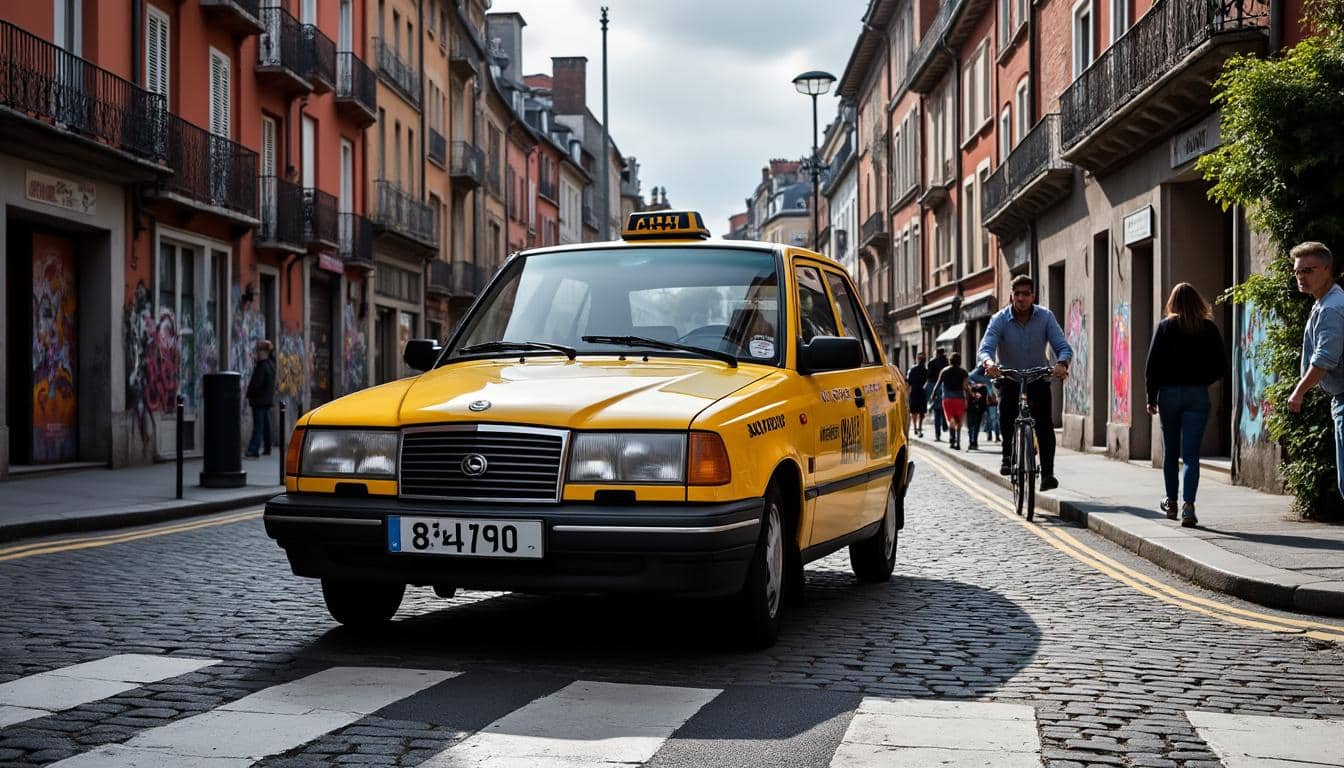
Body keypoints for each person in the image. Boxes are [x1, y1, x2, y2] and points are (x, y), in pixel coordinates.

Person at [978, 274, 1073, 491]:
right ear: (1012, 296)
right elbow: (986, 348)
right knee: (1006, 413)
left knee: (1044, 424)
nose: (1021, 298)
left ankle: (1047, 474)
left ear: (1033, 296)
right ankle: (1007, 456)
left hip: (1038, 377)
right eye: (1017, 294)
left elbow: (1062, 346)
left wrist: (1061, 364)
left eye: (1025, 294)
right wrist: (989, 363)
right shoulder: (1000, 319)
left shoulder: (1045, 317)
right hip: (1009, 377)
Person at [1144, 284, 1227, 527]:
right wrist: (1203, 381)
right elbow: (1221, 365)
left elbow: (1152, 365)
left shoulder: (1164, 327)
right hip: (1197, 395)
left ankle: (1171, 502)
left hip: (1168, 395)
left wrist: (1151, 397)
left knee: (1171, 452)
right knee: (1191, 456)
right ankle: (1188, 507)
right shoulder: (1208, 328)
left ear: (1172, 302)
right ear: (1197, 301)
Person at [1287, 241, 1344, 500]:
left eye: (1307, 270)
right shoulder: (1324, 302)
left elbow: (1325, 359)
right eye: (1297, 271)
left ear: (1327, 269)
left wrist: (1299, 392)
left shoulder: (1332, 308)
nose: (1300, 277)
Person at [245, 339, 277, 458]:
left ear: (264, 352)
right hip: (266, 400)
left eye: (258, 351)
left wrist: (250, 393)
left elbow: (256, 384)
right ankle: (267, 447)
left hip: (259, 400)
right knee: (265, 425)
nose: (256, 353)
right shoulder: (271, 365)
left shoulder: (262, 366)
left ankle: (253, 449)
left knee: (258, 426)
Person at [934, 352, 971, 450]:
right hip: (960, 398)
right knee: (959, 421)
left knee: (951, 420)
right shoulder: (963, 372)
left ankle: (952, 440)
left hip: (947, 399)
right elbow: (965, 387)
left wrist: (933, 395)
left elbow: (937, 385)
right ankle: (958, 441)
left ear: (950, 360)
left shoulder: (944, 371)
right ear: (960, 361)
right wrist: (970, 396)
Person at [966, 364, 991, 451]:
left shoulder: (970, 378)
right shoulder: (986, 382)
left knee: (971, 424)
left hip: (972, 405)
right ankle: (974, 442)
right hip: (978, 405)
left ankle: (972, 442)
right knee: (976, 424)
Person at [926, 347, 949, 442]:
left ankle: (937, 435)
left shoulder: (931, 362)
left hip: (934, 386)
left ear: (937, 353)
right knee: (944, 407)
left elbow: (928, 375)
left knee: (936, 411)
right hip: (944, 386)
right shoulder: (946, 362)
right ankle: (945, 424)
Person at [906, 352, 929, 437]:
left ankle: (915, 427)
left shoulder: (912, 370)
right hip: (922, 392)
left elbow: (909, 382)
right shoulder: (926, 371)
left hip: (914, 392)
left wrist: (907, 393)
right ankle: (919, 427)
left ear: (918, 360)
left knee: (914, 411)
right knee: (922, 412)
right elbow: (928, 381)